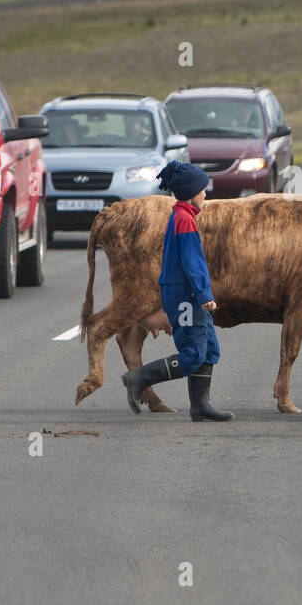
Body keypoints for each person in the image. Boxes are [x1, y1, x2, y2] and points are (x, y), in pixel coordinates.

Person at [121, 162, 233, 422]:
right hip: (187, 297)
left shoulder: (184, 216)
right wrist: (204, 295)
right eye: (203, 190)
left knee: (209, 349)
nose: (206, 194)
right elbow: (191, 262)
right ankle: (138, 379)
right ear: (192, 192)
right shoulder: (184, 220)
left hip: (187, 294)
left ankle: (200, 405)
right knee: (193, 354)